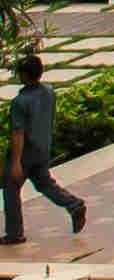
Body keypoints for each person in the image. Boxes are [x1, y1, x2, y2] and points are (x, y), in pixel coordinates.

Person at [5, 52, 86, 244]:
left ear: (24, 75)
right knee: (45, 184)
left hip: (26, 153)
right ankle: (74, 204)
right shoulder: (49, 92)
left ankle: (15, 233)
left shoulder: (20, 102)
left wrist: (15, 163)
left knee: (10, 188)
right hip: (43, 148)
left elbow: (18, 133)